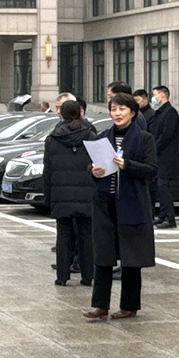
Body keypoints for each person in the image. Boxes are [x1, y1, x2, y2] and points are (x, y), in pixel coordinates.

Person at [85, 92, 156, 321]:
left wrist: (128, 165)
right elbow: (94, 167)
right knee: (103, 255)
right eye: (114, 109)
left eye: (122, 109)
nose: (117, 113)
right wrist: (93, 172)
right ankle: (100, 305)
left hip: (132, 202)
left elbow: (151, 170)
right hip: (106, 202)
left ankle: (129, 305)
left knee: (131, 257)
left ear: (132, 113)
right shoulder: (103, 137)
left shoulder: (144, 138)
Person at [44, 97, 101, 287]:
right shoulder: (92, 136)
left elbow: (48, 170)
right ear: (80, 112)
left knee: (63, 235)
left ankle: (62, 276)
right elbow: (101, 165)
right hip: (87, 193)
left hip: (61, 194)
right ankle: (87, 275)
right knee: (86, 234)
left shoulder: (53, 139)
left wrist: (48, 197)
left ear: (61, 114)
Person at [146, 85, 179, 228]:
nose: (153, 98)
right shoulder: (159, 113)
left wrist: (153, 149)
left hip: (166, 158)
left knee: (163, 186)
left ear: (162, 96)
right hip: (159, 158)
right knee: (159, 187)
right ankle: (162, 215)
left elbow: (166, 136)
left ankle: (169, 217)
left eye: (154, 95)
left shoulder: (170, 112)